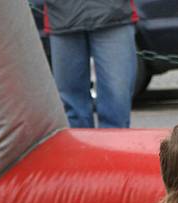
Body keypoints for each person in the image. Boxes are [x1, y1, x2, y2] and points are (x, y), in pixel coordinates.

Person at [43, 0, 137, 128]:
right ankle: (78, 147)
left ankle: (111, 147)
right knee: (72, 109)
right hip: (61, 17)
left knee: (117, 104)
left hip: (114, 15)